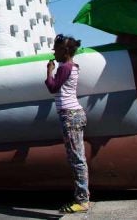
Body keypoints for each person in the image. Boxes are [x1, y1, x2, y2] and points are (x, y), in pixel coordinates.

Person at [45, 34, 89, 214]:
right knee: (77, 158)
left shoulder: (65, 68)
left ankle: (82, 200)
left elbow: (53, 87)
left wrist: (49, 70)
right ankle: (82, 197)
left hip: (69, 116)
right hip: (74, 114)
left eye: (55, 49)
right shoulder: (73, 66)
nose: (53, 52)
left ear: (64, 51)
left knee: (77, 159)